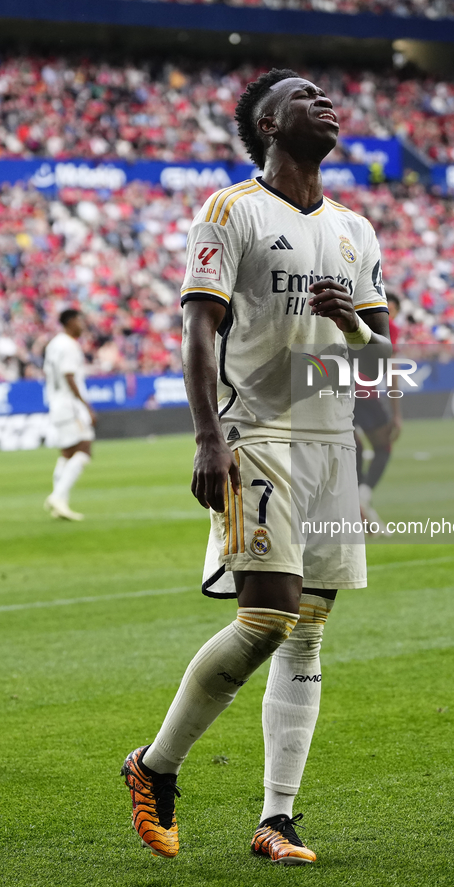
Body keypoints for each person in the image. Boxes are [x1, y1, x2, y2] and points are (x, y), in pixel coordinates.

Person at [121, 68, 391, 866]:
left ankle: (277, 818)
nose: (325, 102)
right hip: (256, 433)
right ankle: (154, 765)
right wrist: (208, 437)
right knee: (267, 617)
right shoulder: (230, 209)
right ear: (268, 125)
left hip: (330, 445)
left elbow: (380, 359)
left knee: (307, 633)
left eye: (326, 94)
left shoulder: (355, 229)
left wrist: (353, 327)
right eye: (303, 96)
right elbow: (198, 328)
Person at [355, 292, 403, 528]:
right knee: (383, 446)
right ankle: (362, 497)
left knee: (354, 448)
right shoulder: (388, 325)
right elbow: (391, 367)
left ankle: (359, 504)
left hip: (335, 389)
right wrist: (396, 413)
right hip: (361, 390)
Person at [43, 309, 96, 521]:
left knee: (67, 453)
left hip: (56, 403)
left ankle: (60, 504)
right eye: (79, 321)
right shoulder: (68, 345)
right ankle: (57, 496)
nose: (82, 325)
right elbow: (68, 375)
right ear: (70, 322)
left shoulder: (54, 343)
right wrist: (86, 406)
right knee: (85, 448)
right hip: (69, 405)